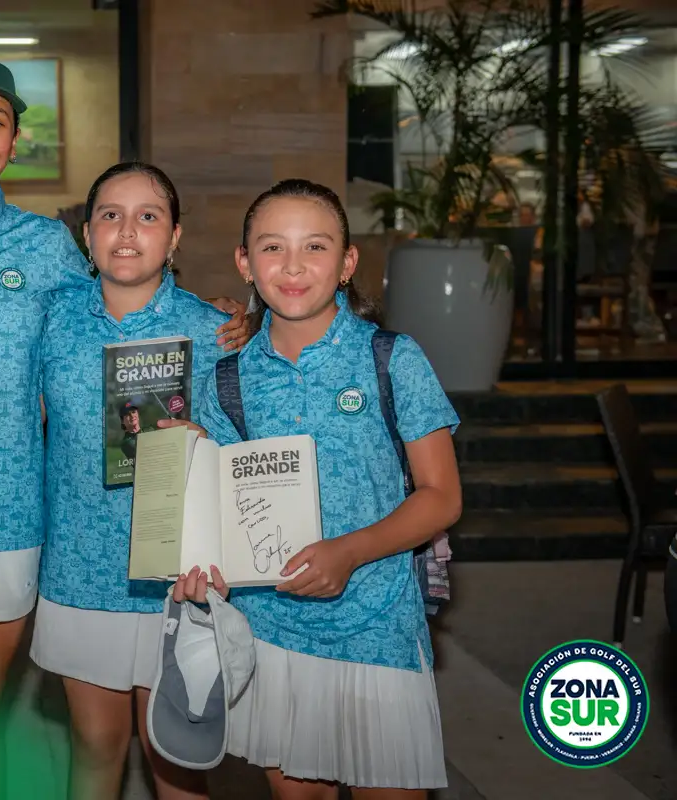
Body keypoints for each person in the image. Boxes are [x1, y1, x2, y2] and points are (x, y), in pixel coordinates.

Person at [0, 51, 253, 800]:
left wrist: (227, 320)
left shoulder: (48, 249)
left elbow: (113, 315)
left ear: (14, 139)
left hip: (9, 516)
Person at [177, 178, 462, 800]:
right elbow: (223, 509)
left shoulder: (392, 358)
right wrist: (200, 563)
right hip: (272, 629)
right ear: (245, 263)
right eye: (272, 247)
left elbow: (442, 496)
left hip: (378, 625)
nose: (293, 265)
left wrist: (349, 552)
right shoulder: (228, 379)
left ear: (347, 263)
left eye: (315, 246)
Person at [30, 161, 252, 800]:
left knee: (176, 759)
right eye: (110, 215)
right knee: (96, 746)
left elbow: (241, 453)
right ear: (87, 233)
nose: (127, 231)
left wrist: (204, 441)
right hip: (80, 566)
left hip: (176, 576)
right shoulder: (51, 320)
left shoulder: (214, 331)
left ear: (175, 235)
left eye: (148, 216)